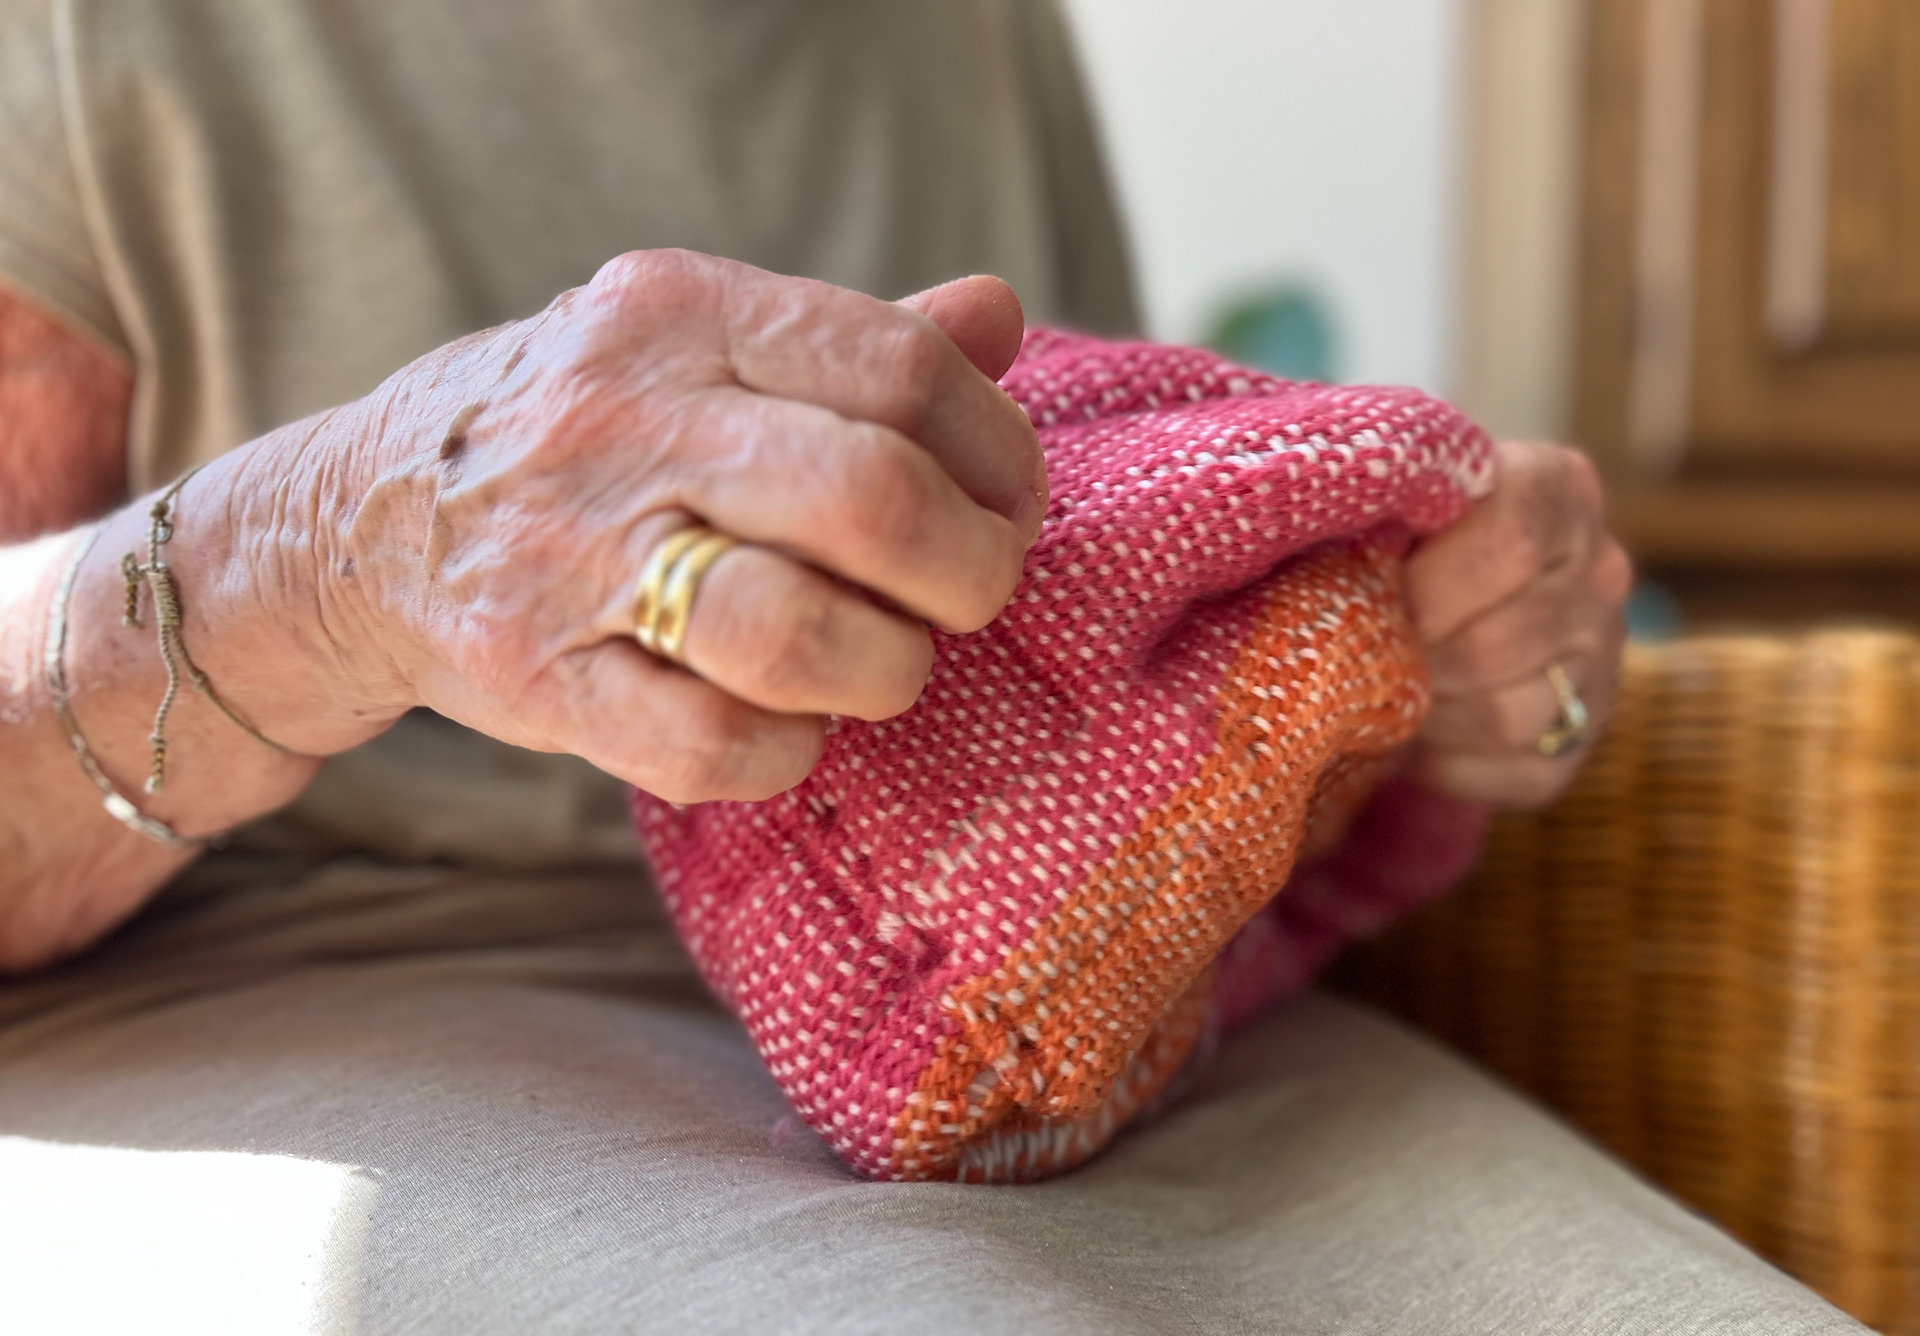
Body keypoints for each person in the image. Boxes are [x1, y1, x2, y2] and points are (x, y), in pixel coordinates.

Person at [0, 3, 1855, 1333]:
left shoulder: (964, 32)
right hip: (314, 1007)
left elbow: (1083, 564)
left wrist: (1461, 663)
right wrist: (332, 555)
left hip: (1070, 1022)